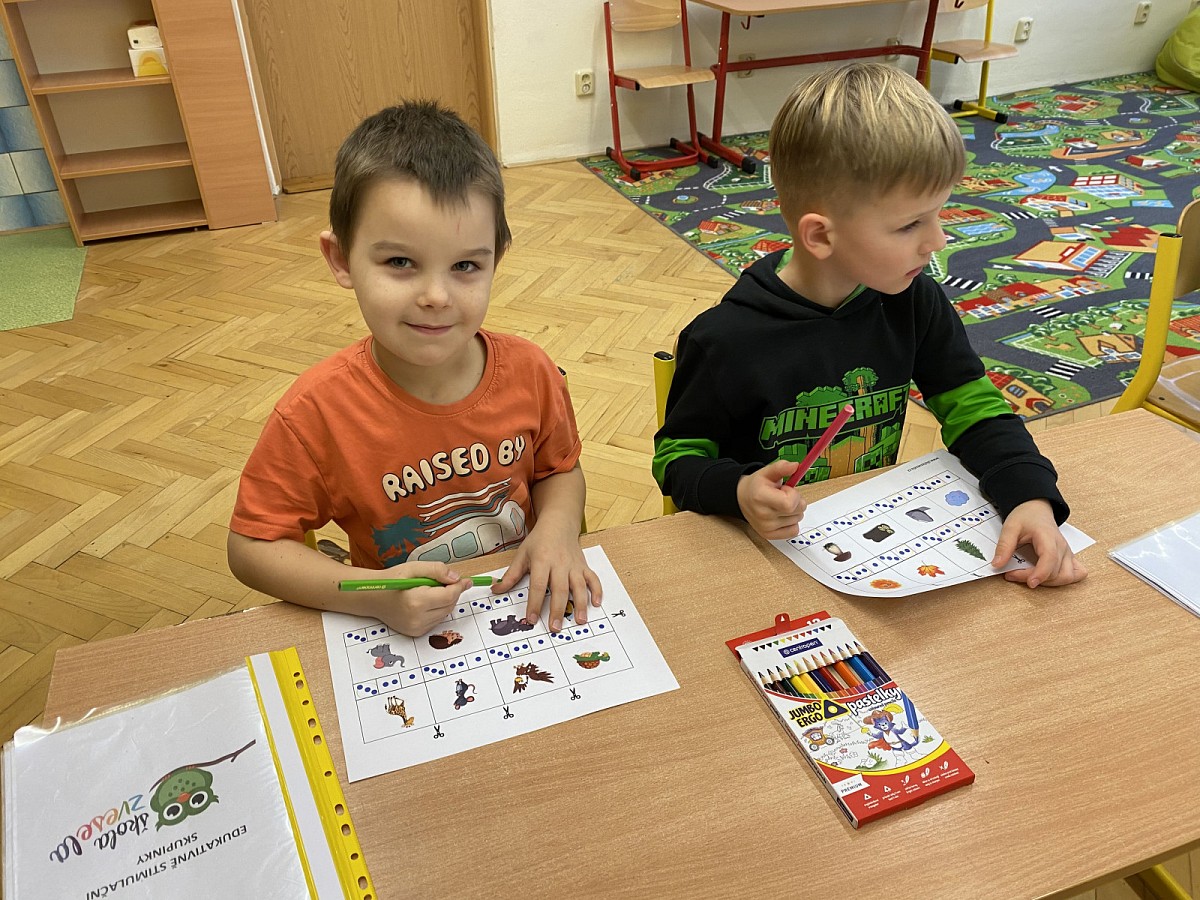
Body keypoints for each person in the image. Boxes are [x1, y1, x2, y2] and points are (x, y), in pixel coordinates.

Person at [652, 62, 1086, 589]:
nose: (938, 241)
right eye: (910, 224)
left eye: (939, 214)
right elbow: (677, 460)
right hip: (756, 560)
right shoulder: (723, 339)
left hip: (864, 544)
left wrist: (1029, 496)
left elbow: (976, 413)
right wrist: (739, 490)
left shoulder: (913, 301)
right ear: (821, 236)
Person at [228, 101, 601, 636]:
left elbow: (558, 469)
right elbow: (251, 547)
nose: (435, 296)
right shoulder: (315, 412)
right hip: (398, 630)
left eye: (465, 265)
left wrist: (560, 529)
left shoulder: (532, 371)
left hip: (520, 609)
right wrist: (368, 595)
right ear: (341, 259)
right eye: (400, 262)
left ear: (496, 259)